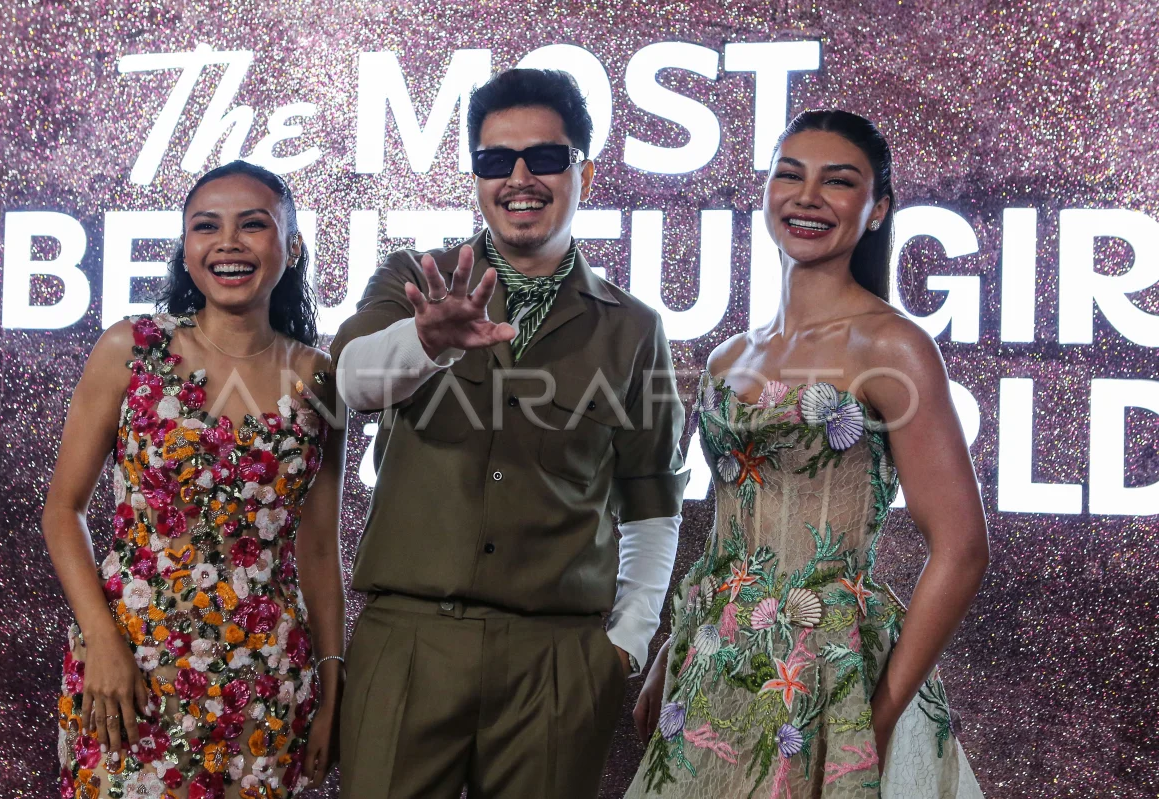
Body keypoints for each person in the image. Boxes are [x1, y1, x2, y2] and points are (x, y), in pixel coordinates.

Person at [329, 68, 688, 799]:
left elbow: (652, 500)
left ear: (585, 171)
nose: (520, 178)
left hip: (556, 660)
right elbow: (351, 382)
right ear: (477, 178)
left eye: (544, 158)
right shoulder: (415, 280)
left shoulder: (632, 328)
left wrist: (624, 643)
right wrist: (427, 340)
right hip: (409, 642)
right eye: (496, 160)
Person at [625, 110, 988, 798]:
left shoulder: (892, 346)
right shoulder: (729, 356)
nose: (808, 196)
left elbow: (963, 548)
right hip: (712, 669)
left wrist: (878, 718)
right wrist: (677, 644)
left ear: (877, 208)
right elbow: (731, 535)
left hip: (829, 674)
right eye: (790, 175)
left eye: (839, 181)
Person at [44, 160, 347, 799]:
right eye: (206, 226)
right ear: (186, 249)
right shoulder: (131, 349)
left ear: (293, 247)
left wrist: (330, 686)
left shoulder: (319, 378)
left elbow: (320, 548)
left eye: (253, 225)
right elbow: (63, 510)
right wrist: (101, 640)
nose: (228, 243)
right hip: (128, 670)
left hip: (268, 677)